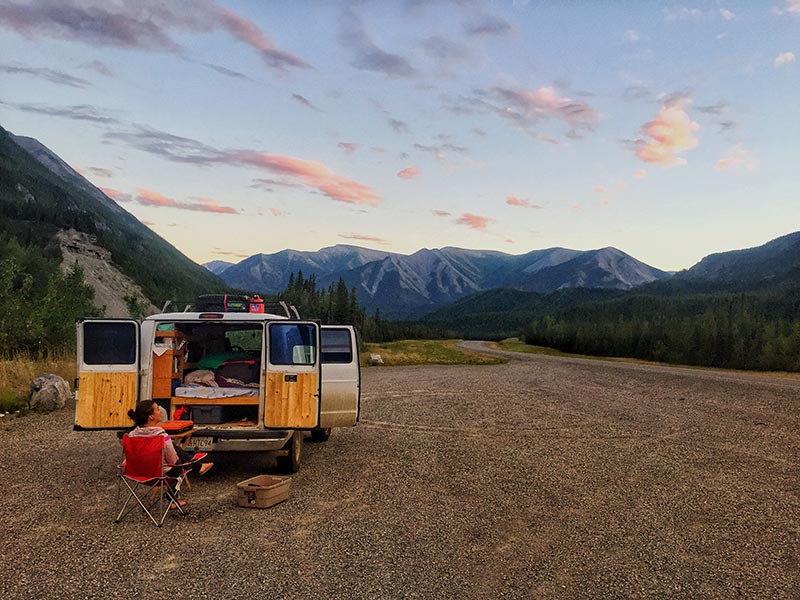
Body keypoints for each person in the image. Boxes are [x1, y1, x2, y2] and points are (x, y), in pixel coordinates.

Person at [126, 400, 213, 489]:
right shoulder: (163, 437)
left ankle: (197, 466)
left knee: (173, 448)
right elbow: (173, 461)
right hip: (159, 475)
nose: (160, 411)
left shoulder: (131, 435)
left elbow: (129, 456)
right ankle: (173, 499)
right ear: (151, 416)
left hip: (137, 473)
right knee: (178, 463)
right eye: (157, 409)